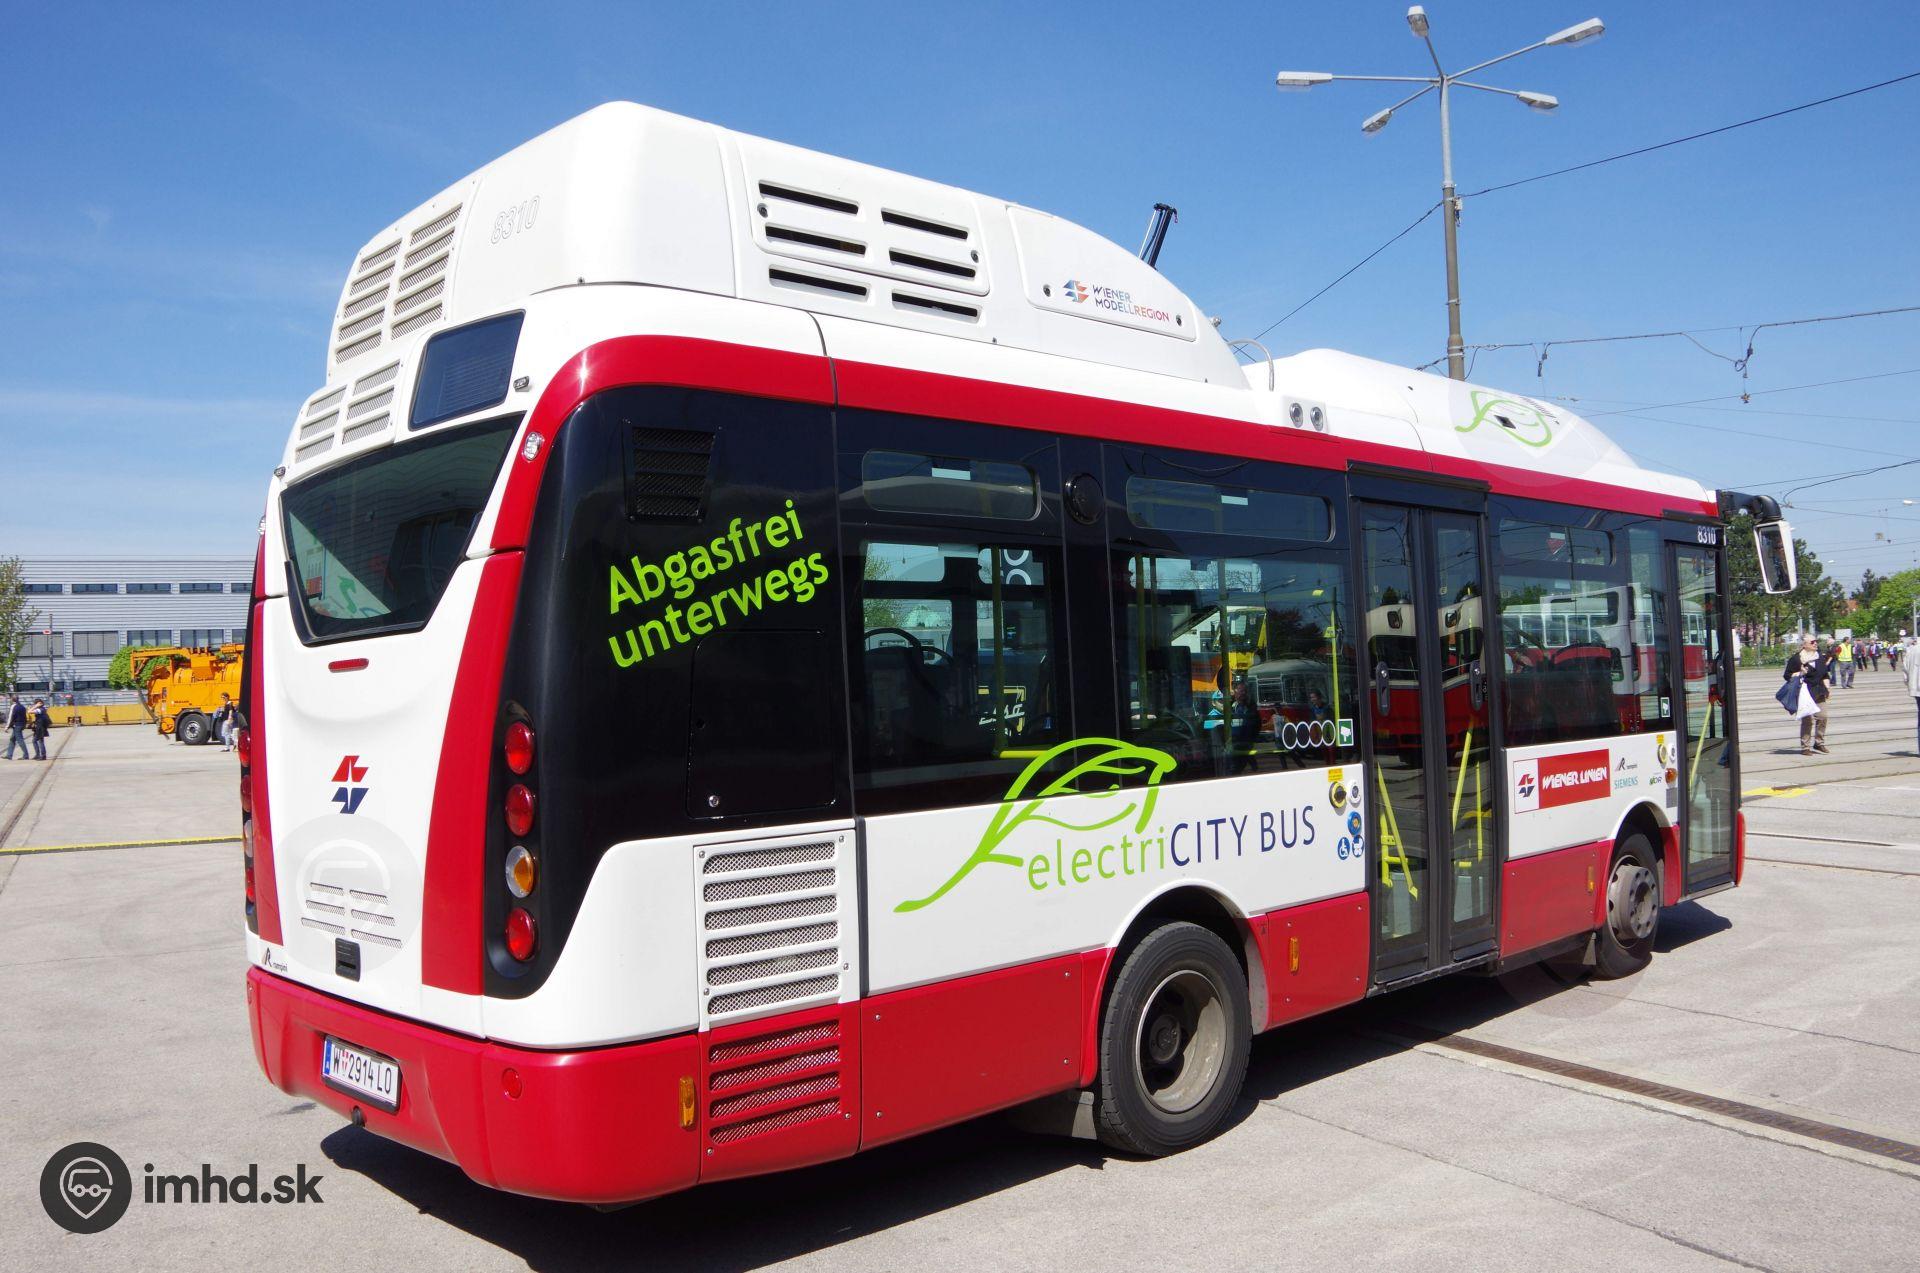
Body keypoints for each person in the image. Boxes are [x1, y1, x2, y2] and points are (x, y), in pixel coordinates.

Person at [1784, 637, 1833, 756]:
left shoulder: (1819, 657)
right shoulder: (1797, 659)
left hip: (1819, 691)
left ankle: (1819, 742)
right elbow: (1787, 675)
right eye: (1812, 642)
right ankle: (1805, 747)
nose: (1815, 643)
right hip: (1805, 693)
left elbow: (1824, 674)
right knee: (1807, 721)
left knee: (1823, 717)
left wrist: (1827, 688)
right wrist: (1800, 673)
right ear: (1804, 645)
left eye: (1816, 641)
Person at [4, 696, 26, 761]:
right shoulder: (22, 706)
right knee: (12, 739)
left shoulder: (13, 707)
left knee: (20, 740)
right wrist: (24, 725)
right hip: (21, 724)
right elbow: (24, 717)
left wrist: (7, 727)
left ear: (12, 700)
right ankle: (9, 755)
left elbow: (11, 717)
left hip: (17, 725)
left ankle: (26, 755)